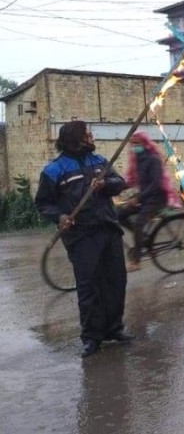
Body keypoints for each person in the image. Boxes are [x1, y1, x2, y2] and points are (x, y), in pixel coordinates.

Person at [34, 120, 133, 358]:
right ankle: (91, 337)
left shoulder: (99, 161)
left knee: (115, 282)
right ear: (76, 139)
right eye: (87, 134)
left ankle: (114, 329)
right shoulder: (54, 170)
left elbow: (120, 183)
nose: (91, 136)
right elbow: (42, 203)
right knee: (89, 287)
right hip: (81, 235)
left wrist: (105, 184)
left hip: (108, 229)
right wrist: (60, 216)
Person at [117, 130, 179, 273]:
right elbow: (131, 180)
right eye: (132, 143)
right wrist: (115, 188)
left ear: (145, 144)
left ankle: (136, 261)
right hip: (145, 196)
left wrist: (137, 198)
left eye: (137, 143)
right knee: (119, 213)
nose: (134, 146)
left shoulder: (153, 159)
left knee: (139, 223)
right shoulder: (137, 160)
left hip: (157, 197)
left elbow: (156, 184)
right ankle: (143, 238)